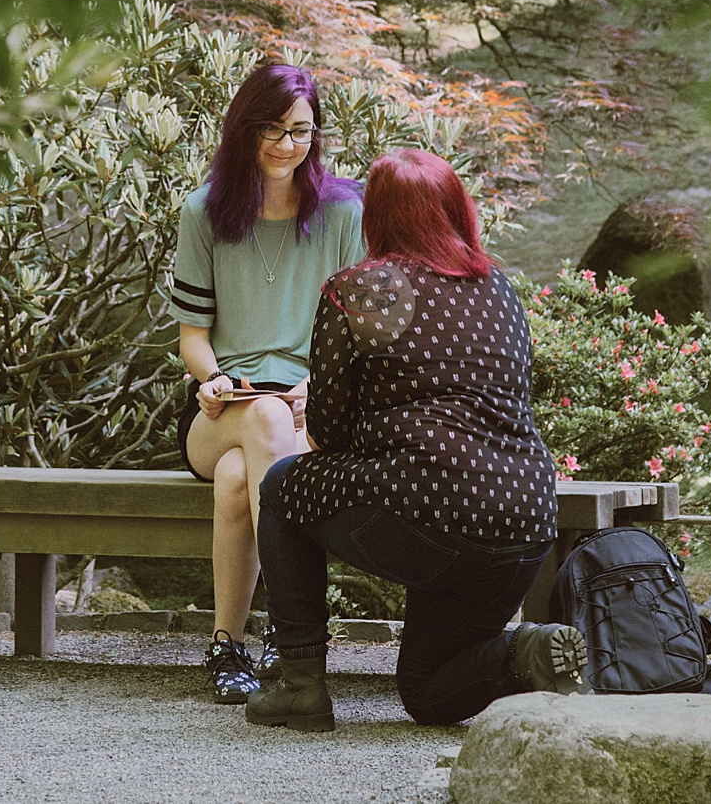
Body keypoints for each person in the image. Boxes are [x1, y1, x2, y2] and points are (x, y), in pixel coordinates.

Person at [246, 149, 586, 733]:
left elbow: (326, 434)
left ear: (377, 215)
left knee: (282, 485)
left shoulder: (359, 290)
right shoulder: (498, 287)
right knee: (427, 695)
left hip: (429, 512)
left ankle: (300, 686)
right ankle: (522, 651)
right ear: (456, 210)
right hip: (525, 522)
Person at [168, 61, 365, 703]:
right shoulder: (204, 212)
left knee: (235, 482)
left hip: (314, 410)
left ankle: (228, 644)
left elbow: (359, 334)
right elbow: (192, 336)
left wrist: (322, 388)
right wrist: (216, 380)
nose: (287, 145)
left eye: (302, 131)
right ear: (244, 129)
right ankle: (292, 631)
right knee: (262, 420)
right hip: (222, 410)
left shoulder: (342, 212)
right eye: (273, 129)